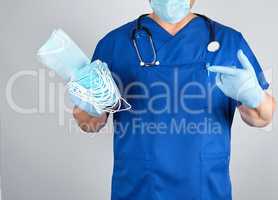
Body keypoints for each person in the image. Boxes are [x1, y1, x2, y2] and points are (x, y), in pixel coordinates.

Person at [73, 0, 276, 199]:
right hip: (139, 188)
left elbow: (261, 119)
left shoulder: (229, 42)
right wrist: (87, 108)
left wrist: (256, 97)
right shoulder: (115, 44)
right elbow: (90, 123)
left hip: (206, 188)